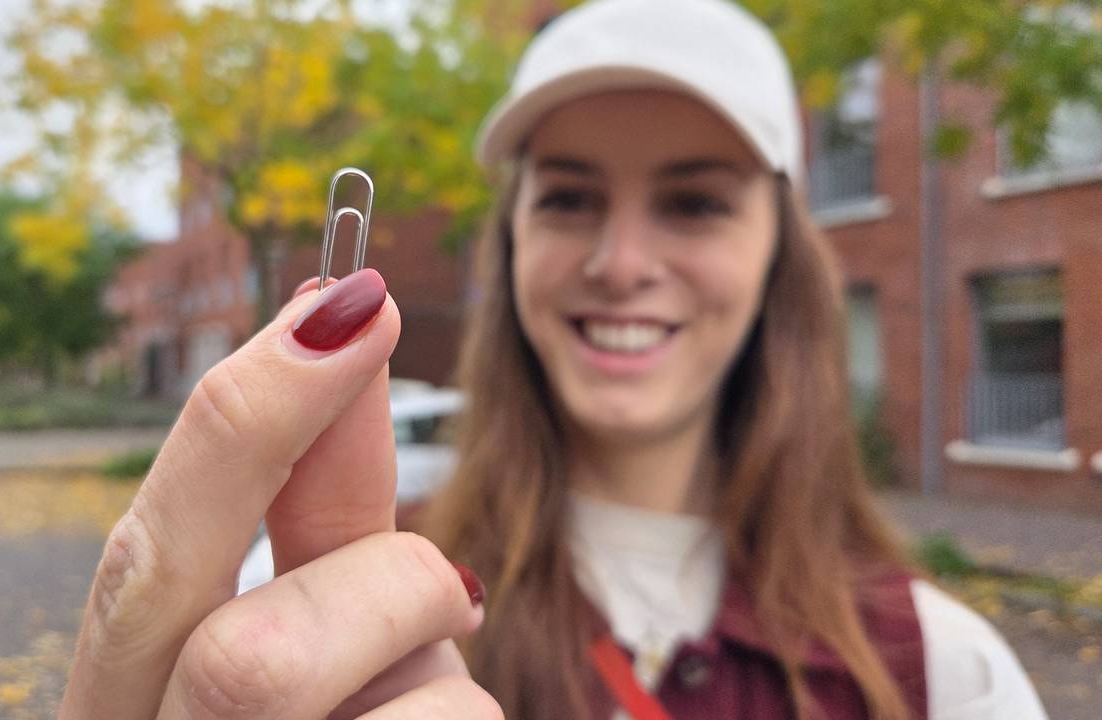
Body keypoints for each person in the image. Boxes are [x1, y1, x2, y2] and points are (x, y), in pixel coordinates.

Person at [59, 1, 1047, 718]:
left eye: (693, 202)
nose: (619, 265)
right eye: (569, 198)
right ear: (511, 246)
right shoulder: (318, 608)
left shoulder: (942, 674)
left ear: (778, 259)